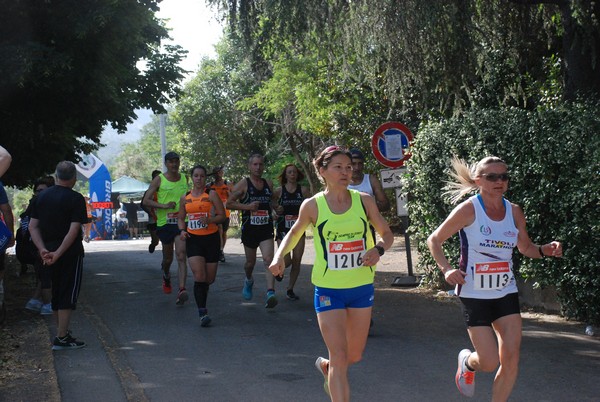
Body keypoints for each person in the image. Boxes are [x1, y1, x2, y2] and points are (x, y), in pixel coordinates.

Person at [427, 156, 563, 401]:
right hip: (474, 294)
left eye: (504, 176)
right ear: (479, 181)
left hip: (505, 292)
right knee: (489, 362)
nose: (499, 181)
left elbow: (525, 248)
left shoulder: (514, 211)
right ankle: (468, 362)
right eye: (492, 177)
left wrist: (544, 250)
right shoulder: (469, 209)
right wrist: (446, 269)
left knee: (511, 359)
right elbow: (434, 240)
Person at [269, 146, 394, 401]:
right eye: (338, 167)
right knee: (339, 355)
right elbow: (293, 234)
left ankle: (327, 367)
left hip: (361, 288)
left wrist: (378, 249)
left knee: (354, 355)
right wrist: (278, 256)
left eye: (349, 167)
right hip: (328, 290)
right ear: (322, 171)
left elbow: (387, 233)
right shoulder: (313, 205)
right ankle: (334, 368)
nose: (346, 172)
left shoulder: (364, 201)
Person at [29, 161, 88, 350]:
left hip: (47, 251)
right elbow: (73, 230)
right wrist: (58, 253)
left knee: (56, 291)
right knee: (68, 292)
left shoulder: (41, 197)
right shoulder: (76, 198)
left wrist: (43, 250)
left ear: (56, 176)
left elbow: (32, 226)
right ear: (74, 178)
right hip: (69, 252)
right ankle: (62, 337)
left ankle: (61, 332)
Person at [227, 154, 278, 308]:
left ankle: (270, 292)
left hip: (266, 227)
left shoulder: (268, 183)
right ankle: (248, 280)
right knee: (250, 263)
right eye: (255, 164)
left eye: (260, 164)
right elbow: (228, 203)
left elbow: (272, 202)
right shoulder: (243, 184)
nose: (258, 167)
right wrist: (247, 207)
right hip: (250, 229)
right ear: (249, 167)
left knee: (269, 259)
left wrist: (276, 209)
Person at [177, 165, 226, 327]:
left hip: (211, 239)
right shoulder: (185, 197)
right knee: (199, 277)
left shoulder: (211, 194)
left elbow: (221, 216)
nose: (199, 179)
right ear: (192, 178)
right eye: (196, 176)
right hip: (194, 240)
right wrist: (182, 231)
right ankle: (202, 312)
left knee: (209, 279)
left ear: (205, 178)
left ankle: (202, 298)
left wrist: (210, 220)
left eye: (202, 176)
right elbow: (180, 218)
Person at [143, 152, 189, 305]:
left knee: (181, 255)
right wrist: (163, 205)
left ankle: (182, 289)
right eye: (171, 162)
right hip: (165, 224)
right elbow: (146, 201)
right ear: (166, 164)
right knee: (168, 258)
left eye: (177, 161)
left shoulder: (184, 178)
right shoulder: (159, 179)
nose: (174, 165)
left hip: (182, 222)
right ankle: (166, 274)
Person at [273, 163, 310, 301]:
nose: (292, 175)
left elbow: (311, 206)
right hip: (283, 229)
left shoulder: (304, 191)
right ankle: (279, 269)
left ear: (297, 174)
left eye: (294, 172)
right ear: (285, 175)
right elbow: (272, 203)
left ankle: (290, 289)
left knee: (297, 260)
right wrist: (276, 209)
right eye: (289, 172)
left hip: (298, 230)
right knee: (286, 260)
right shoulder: (279, 191)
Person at [22, 177, 55, 315]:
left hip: (42, 247)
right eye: (38, 191)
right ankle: (47, 305)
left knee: (44, 276)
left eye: (44, 191)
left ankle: (35, 301)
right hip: (38, 247)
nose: (40, 194)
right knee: (45, 276)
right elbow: (27, 229)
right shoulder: (34, 208)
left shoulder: (45, 206)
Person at [208, 166, 232, 263]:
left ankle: (221, 250)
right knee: (219, 230)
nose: (218, 174)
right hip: (215, 213)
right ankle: (220, 251)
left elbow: (233, 198)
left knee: (224, 233)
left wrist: (228, 193)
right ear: (213, 174)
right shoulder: (209, 185)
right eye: (216, 173)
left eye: (220, 172)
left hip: (225, 212)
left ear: (222, 173)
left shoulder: (228, 184)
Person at [142, 169, 161, 253]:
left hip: (164, 218)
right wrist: (150, 213)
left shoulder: (165, 190)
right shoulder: (149, 191)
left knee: (166, 241)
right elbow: (142, 204)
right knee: (156, 241)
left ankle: (166, 259)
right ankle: (153, 244)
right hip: (153, 219)